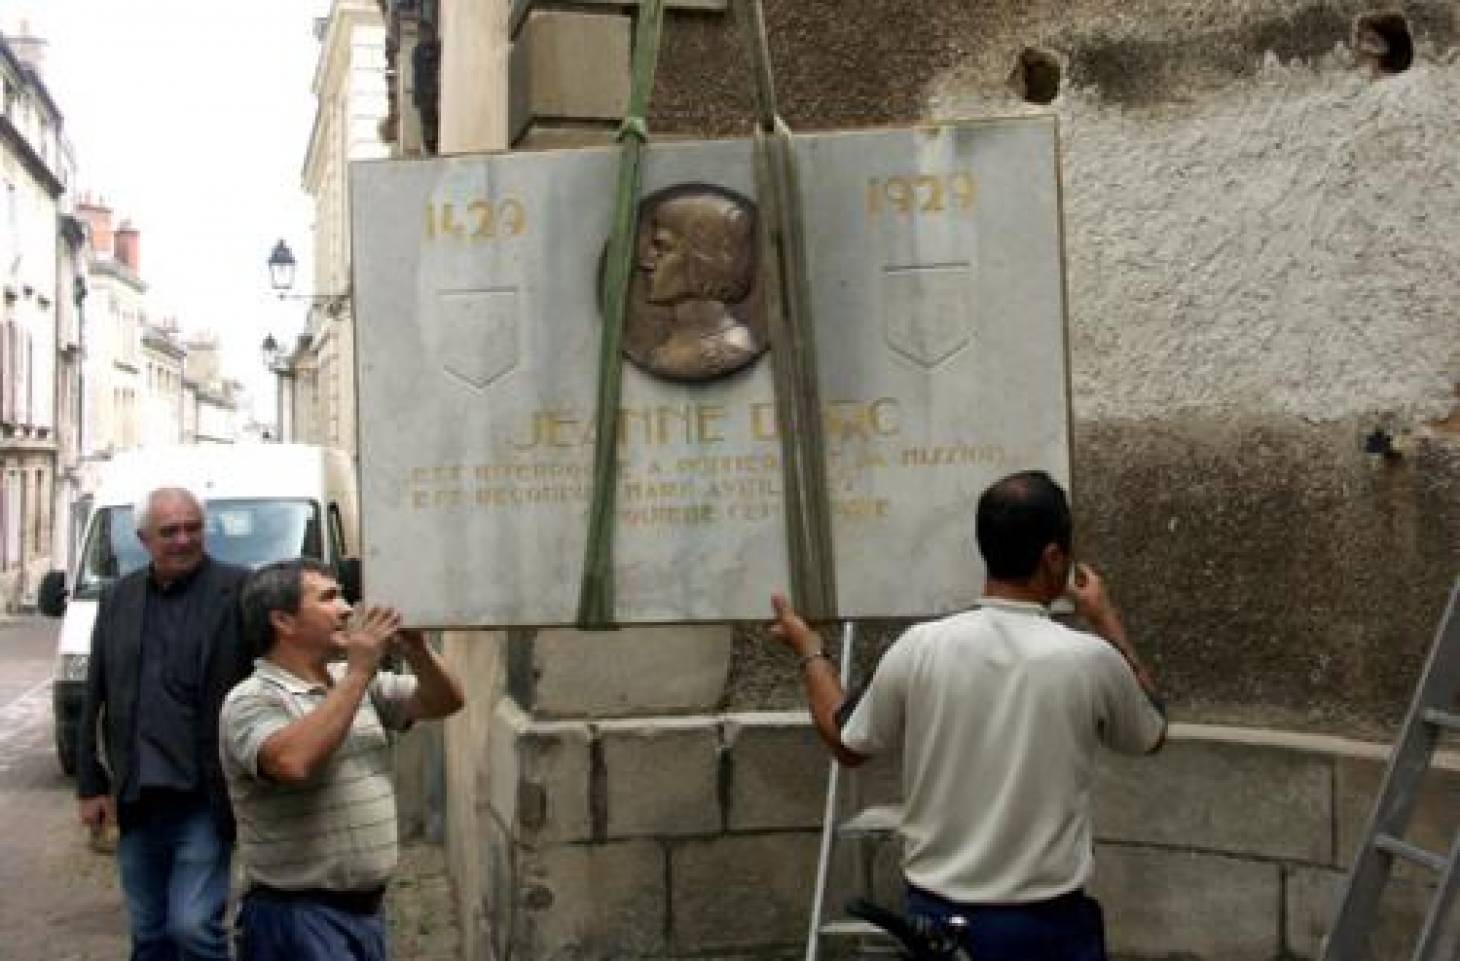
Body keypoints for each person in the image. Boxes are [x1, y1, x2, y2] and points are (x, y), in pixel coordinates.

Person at [770, 470, 1166, 961]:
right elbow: (1150, 731)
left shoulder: (921, 646)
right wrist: (1105, 618)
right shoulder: (1088, 658)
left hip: (939, 926)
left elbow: (846, 738)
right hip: (1049, 928)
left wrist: (810, 652)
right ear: (1053, 558)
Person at [221, 558, 465, 961]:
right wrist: (358, 672)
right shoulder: (252, 699)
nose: (348, 609)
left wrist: (418, 650)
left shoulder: (351, 683)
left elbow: (446, 700)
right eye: (329, 598)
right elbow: (292, 763)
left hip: (363, 914)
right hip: (296, 919)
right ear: (283, 621)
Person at [76, 487, 251, 961]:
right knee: (150, 934)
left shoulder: (237, 590)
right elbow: (96, 694)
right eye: (169, 531)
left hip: (203, 794)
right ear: (143, 538)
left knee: (194, 929)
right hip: (137, 798)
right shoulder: (119, 599)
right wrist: (90, 785)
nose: (184, 539)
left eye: (193, 527)